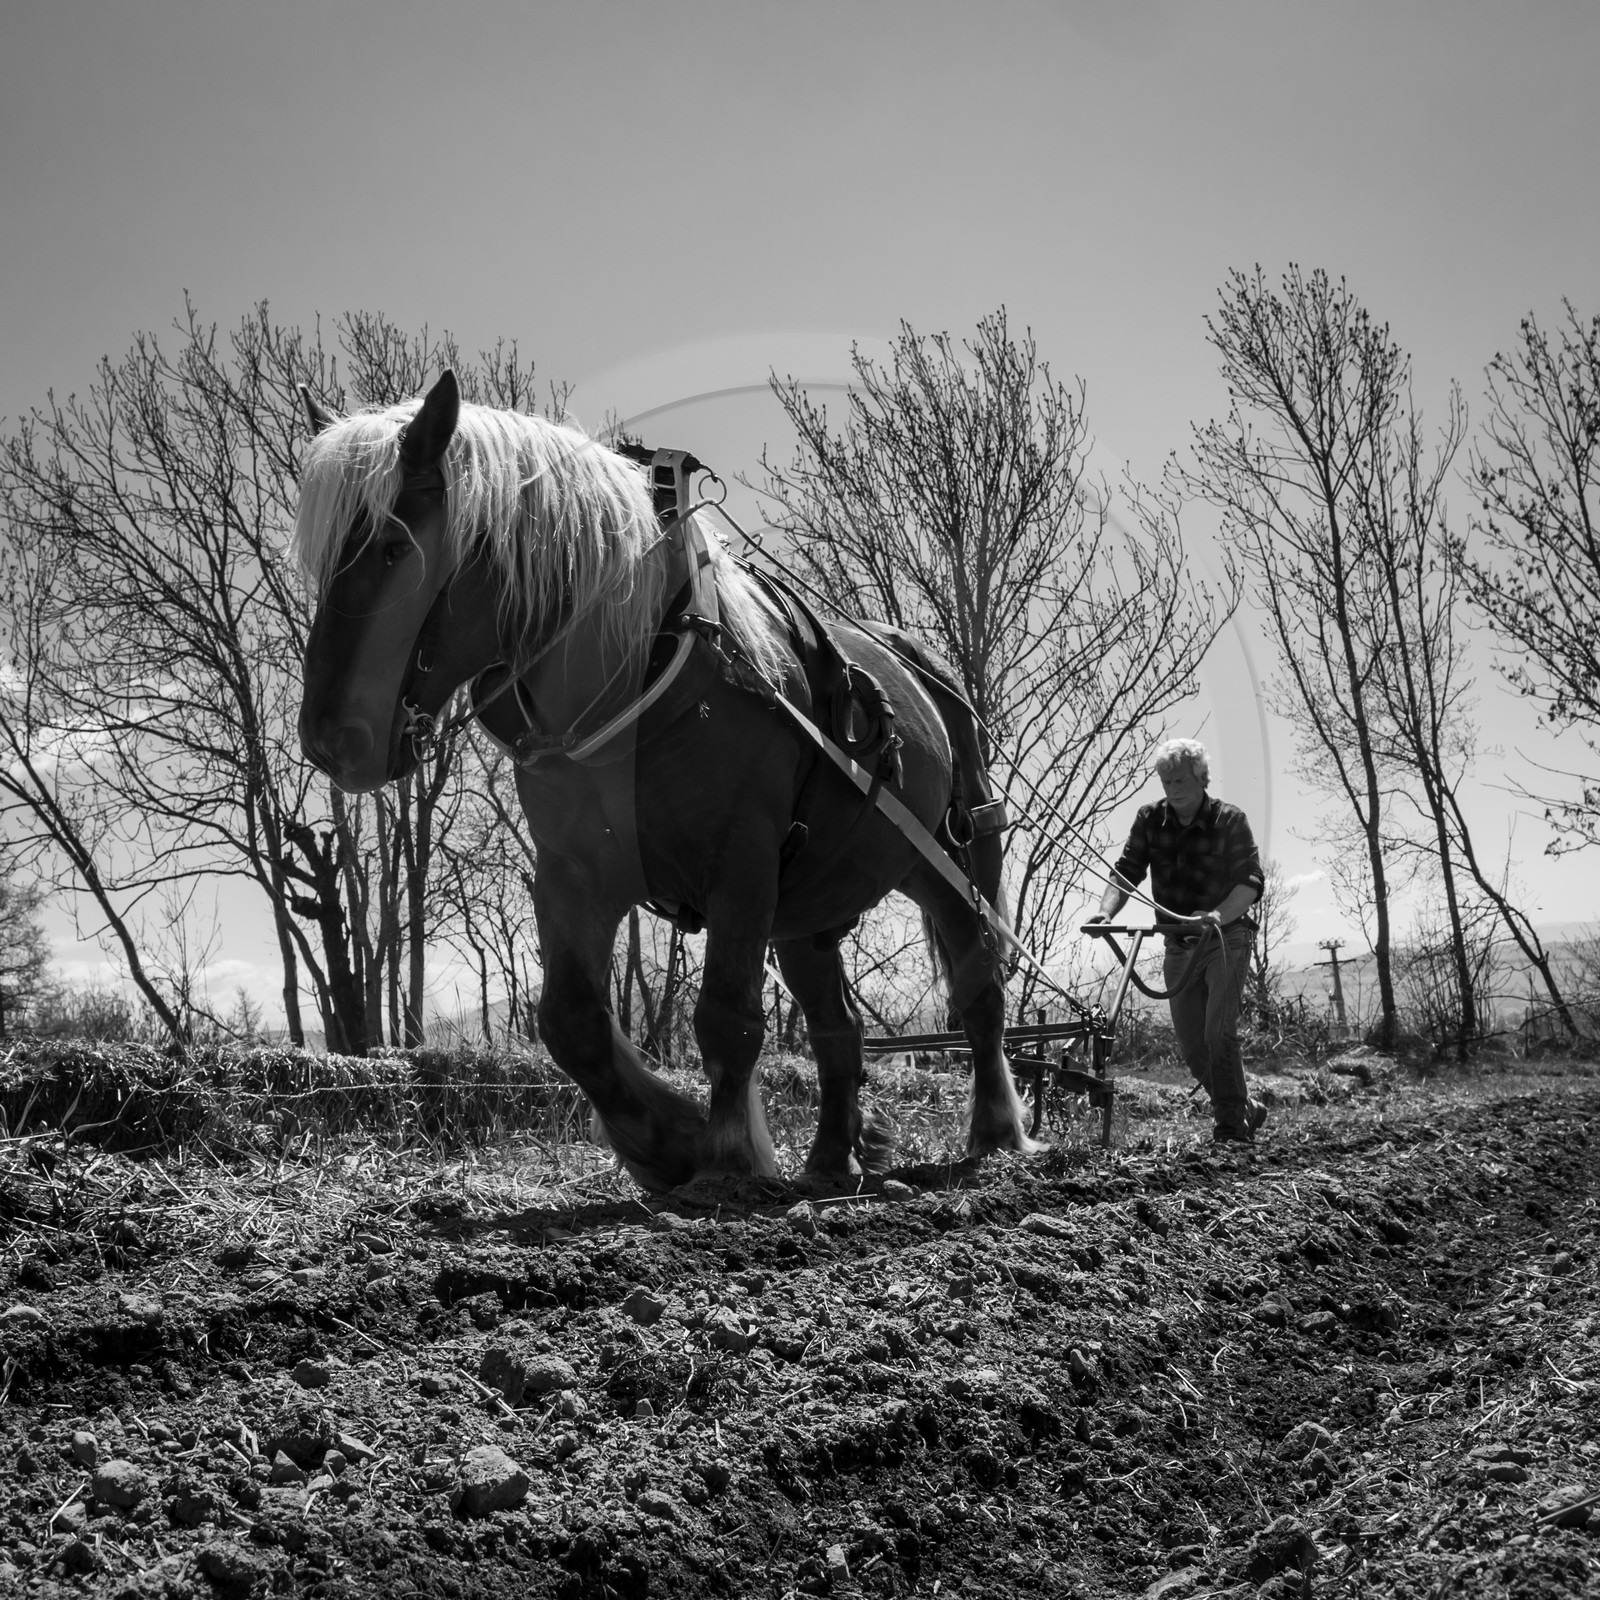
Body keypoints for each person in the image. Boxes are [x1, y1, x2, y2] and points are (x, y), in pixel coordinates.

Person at [1088, 738, 1267, 1144]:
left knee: (1218, 1034)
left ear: (1201, 778)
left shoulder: (1230, 820)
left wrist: (1218, 915)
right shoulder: (1150, 820)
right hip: (1178, 943)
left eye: (1181, 779)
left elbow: (1251, 882)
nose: (1173, 788)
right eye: (1166, 780)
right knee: (1192, 1047)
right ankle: (1244, 1108)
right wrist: (1106, 912)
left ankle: (1230, 1131)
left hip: (1226, 939)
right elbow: (1127, 869)